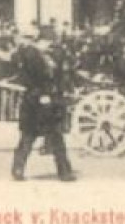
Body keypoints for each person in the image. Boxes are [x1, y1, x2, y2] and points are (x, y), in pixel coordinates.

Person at [9, 27, 76, 182]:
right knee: (53, 138)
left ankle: (17, 169)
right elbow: (37, 78)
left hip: (34, 102)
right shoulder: (33, 55)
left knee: (28, 137)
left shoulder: (33, 54)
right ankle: (64, 172)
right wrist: (44, 94)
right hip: (40, 102)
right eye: (49, 42)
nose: (50, 46)